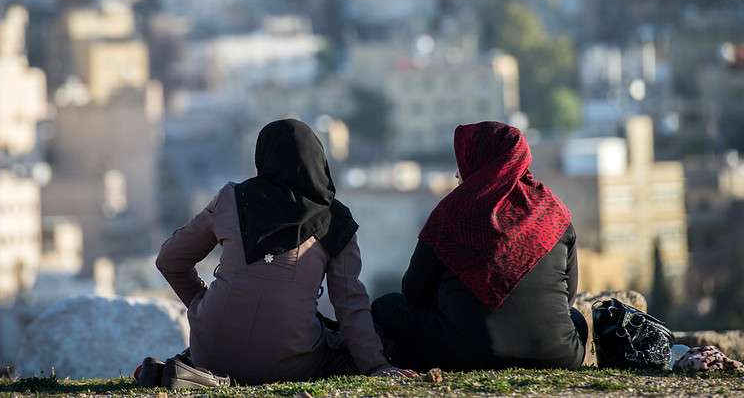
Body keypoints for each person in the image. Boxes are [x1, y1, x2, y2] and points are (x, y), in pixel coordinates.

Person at [156, 119, 415, 384]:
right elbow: (350, 303)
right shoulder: (335, 220)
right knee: (350, 341)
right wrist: (376, 366)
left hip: (209, 353)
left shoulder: (232, 199)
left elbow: (169, 260)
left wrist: (202, 304)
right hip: (289, 365)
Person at [371, 121, 588, 371]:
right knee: (575, 319)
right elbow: (568, 295)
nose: (457, 174)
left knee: (387, 307)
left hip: (463, 357)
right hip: (559, 356)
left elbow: (414, 291)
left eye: (463, 161)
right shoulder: (553, 212)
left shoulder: (452, 213)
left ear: (480, 162)